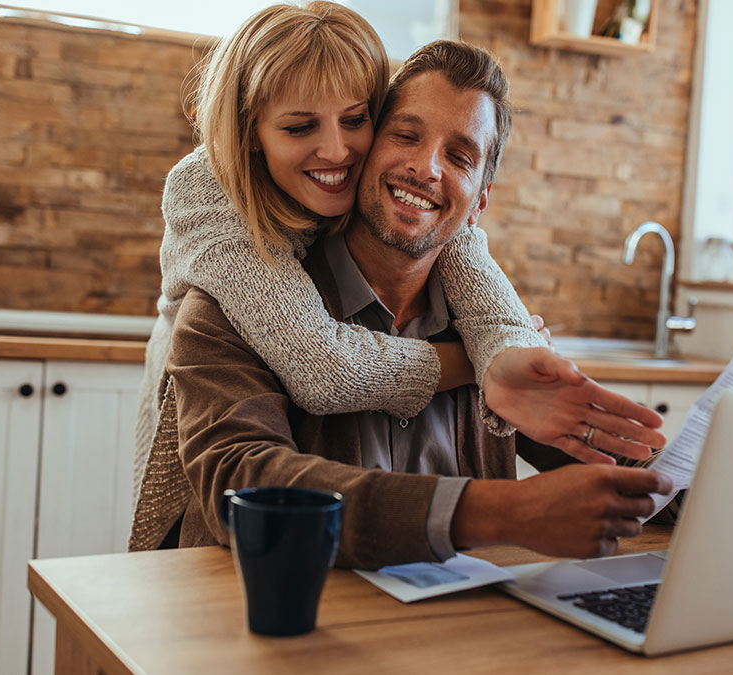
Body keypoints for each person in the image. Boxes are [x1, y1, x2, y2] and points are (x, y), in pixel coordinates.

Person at [147, 38, 673, 569]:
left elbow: (617, 461)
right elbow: (245, 483)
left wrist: (691, 479)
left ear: (480, 200)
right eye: (406, 135)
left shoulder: (490, 328)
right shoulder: (238, 305)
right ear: (370, 146)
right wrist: (496, 512)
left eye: (460, 156)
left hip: (464, 630)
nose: (427, 168)